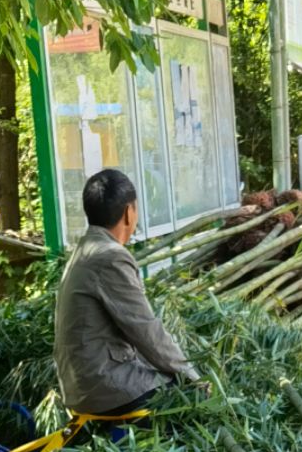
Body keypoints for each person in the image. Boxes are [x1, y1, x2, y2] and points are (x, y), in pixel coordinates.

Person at [53, 168, 202, 419]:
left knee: (167, 372)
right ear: (128, 212)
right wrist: (195, 379)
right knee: (188, 401)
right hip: (102, 384)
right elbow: (145, 329)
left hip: (81, 379)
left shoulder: (87, 248)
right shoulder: (110, 256)